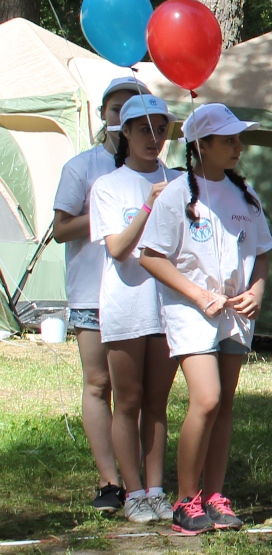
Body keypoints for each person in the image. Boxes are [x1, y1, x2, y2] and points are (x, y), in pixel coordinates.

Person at [137, 104, 272, 535]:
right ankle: (185, 499)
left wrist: (256, 291)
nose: (238, 147)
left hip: (234, 313)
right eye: (228, 140)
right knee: (208, 398)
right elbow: (151, 256)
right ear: (201, 146)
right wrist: (198, 294)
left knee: (225, 405)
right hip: (191, 311)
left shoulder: (244, 195)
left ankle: (214, 496)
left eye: (239, 139)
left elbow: (263, 253)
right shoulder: (178, 193)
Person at [52, 75, 145, 513]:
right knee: (98, 383)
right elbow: (60, 230)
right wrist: (107, 218)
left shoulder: (152, 168)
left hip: (141, 290)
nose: (123, 117)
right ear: (105, 116)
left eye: (136, 109)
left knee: (136, 389)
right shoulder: (82, 167)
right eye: (116, 109)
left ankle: (141, 479)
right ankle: (110, 481)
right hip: (92, 290)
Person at [87, 95, 180, 523]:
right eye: (143, 129)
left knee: (157, 402)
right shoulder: (108, 185)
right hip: (125, 305)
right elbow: (119, 248)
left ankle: (157, 487)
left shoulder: (178, 180)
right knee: (128, 399)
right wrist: (149, 205)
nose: (153, 138)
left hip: (166, 305)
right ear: (124, 133)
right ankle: (132, 490)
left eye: (160, 129)